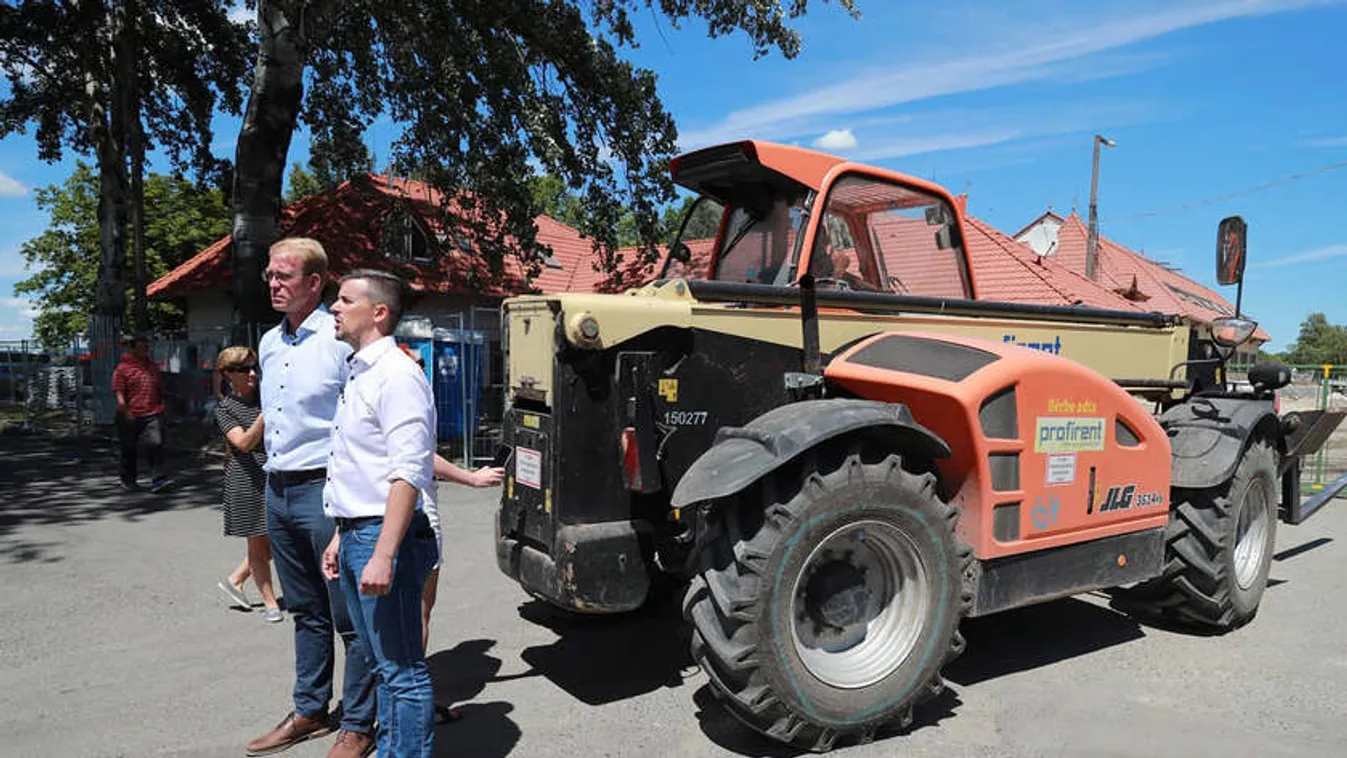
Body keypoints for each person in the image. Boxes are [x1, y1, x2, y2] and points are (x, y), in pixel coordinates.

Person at [246, 238, 377, 758]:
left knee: (350, 615)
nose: (274, 285)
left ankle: (360, 723)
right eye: (270, 276)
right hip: (278, 487)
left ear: (315, 282)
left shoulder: (342, 337)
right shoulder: (269, 342)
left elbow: (367, 419)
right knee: (305, 609)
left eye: (285, 276)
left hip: (327, 489)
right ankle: (310, 710)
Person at [320, 269, 438, 756]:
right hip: (356, 533)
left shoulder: (398, 375)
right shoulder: (361, 370)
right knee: (379, 663)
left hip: (380, 537)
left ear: (379, 312)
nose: (334, 307)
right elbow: (358, 467)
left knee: (402, 672)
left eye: (345, 300)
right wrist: (338, 536)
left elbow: (408, 472)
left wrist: (383, 553)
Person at [394, 342, 504, 726]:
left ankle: (399, 699)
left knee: (398, 615)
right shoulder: (406, 395)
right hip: (416, 510)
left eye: (424, 363)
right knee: (417, 611)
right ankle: (412, 704)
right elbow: (424, 455)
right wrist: (472, 478)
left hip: (385, 511)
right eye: (416, 363)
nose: (422, 370)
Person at [213, 346, 283, 623]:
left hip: (275, 475)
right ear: (228, 374)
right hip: (246, 480)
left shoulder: (265, 395)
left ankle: (236, 580)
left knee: (277, 541)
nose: (253, 374)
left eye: (255, 368)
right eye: (244, 369)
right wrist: (266, 414)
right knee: (258, 544)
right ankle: (270, 602)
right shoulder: (225, 409)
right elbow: (243, 443)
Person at [111, 334, 169, 492]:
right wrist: (125, 408)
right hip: (130, 413)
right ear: (133, 349)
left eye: (146, 347)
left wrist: (162, 405)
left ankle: (158, 479)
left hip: (152, 412)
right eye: (141, 347)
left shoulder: (152, 367)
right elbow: (118, 391)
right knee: (129, 448)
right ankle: (128, 479)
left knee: (155, 444)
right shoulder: (123, 367)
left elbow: (159, 388)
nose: (145, 350)